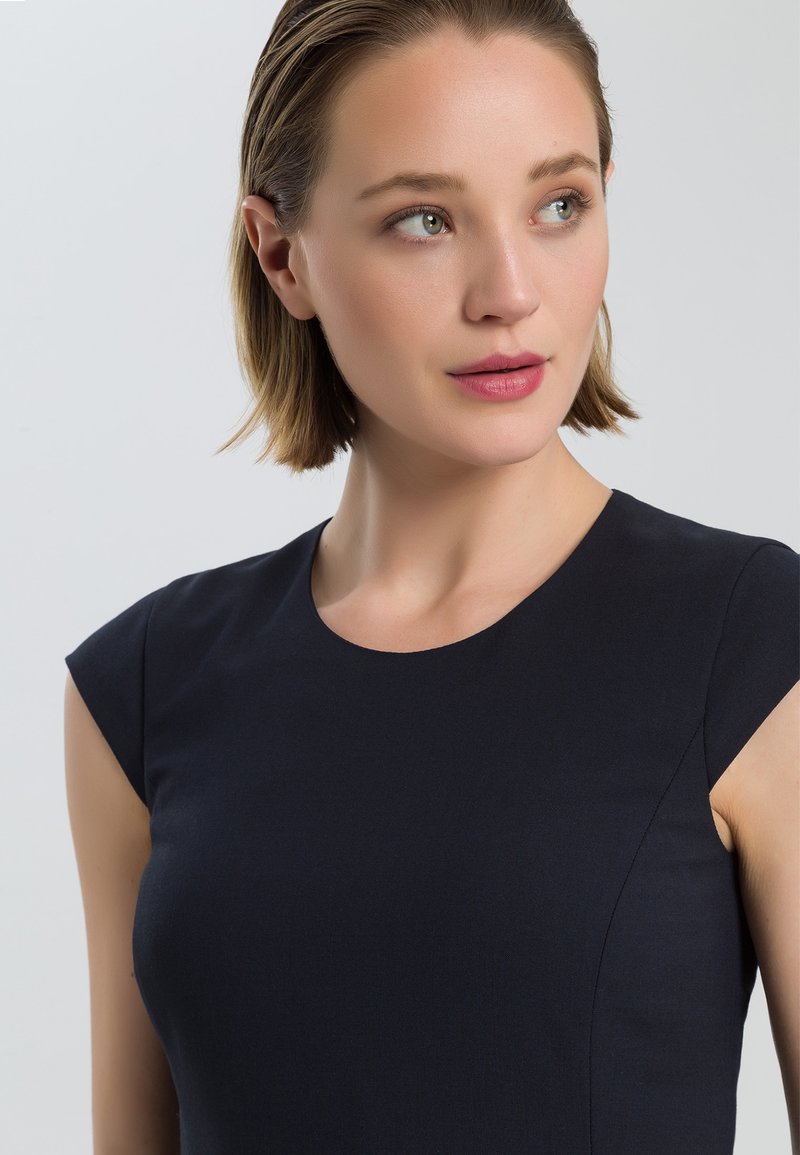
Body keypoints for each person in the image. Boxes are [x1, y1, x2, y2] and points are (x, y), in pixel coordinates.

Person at [63, 1, 799, 1152]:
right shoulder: (139, 687)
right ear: (280, 253)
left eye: (558, 205)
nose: (508, 290)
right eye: (422, 219)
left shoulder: (752, 645)